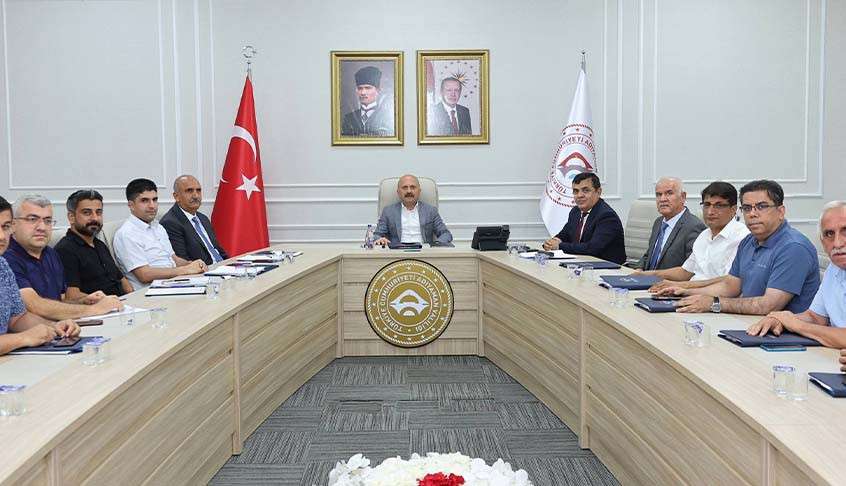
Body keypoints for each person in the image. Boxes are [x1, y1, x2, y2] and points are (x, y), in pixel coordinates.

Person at [659, 180, 820, 315]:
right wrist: (685, 292)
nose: (752, 214)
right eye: (747, 208)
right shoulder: (749, 241)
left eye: (762, 206)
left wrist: (714, 303)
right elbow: (729, 286)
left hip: (785, 335)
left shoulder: (793, 248)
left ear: (781, 211)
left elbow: (768, 305)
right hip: (750, 323)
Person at [3, 194, 121, 321]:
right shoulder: (6, 258)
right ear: (13, 224)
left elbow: (60, 300)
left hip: (63, 327)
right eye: (32, 219)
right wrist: (94, 310)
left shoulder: (50, 253)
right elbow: (36, 306)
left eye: (48, 221)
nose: (42, 227)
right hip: (31, 330)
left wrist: (84, 301)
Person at [746, 201, 846, 347]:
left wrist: (797, 325)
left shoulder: (795, 246)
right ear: (822, 241)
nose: (837, 243)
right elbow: (816, 317)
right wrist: (780, 319)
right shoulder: (834, 268)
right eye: (829, 234)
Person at [0, 196, 79, 355]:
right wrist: (23, 338)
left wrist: (53, 327)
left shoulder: (3, 267)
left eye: (5, 226)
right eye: (32, 219)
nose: (2, 236)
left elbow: (17, 318)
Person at [641, 181, 748, 290]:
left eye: (718, 205)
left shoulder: (742, 237)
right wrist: (645, 275)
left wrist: (682, 286)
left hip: (711, 296)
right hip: (688, 292)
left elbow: (728, 280)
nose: (710, 212)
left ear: (733, 210)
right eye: (707, 205)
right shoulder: (704, 235)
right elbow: (685, 272)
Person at [113, 178, 207, 289]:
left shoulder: (158, 227)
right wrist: (184, 270)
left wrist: (192, 264)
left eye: (154, 199)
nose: (152, 206)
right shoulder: (126, 234)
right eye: (144, 201)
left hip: (175, 283)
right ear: (131, 205)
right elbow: (144, 275)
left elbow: (174, 259)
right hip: (151, 291)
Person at [55, 190, 133, 299]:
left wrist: (133, 299)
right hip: (98, 307)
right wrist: (106, 301)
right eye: (87, 213)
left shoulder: (100, 244)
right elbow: (72, 295)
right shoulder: (65, 250)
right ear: (71, 217)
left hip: (124, 303)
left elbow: (122, 280)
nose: (95, 218)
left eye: (98, 212)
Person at [542, 172, 626, 264]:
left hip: (607, 268)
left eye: (585, 190)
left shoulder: (607, 216)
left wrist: (559, 246)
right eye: (576, 191)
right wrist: (552, 242)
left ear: (598, 192)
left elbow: (592, 248)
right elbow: (564, 235)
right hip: (583, 263)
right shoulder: (576, 212)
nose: (579, 195)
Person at [637, 177, 706, 270]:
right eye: (658, 194)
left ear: (683, 197)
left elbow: (692, 270)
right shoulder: (658, 222)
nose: (662, 199)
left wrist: (650, 274)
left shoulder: (694, 226)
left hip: (669, 279)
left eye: (669, 193)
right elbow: (649, 255)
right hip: (645, 277)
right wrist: (639, 269)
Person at [160, 175, 228, 265]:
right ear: (176, 196)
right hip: (205, 271)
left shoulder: (203, 218)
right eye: (189, 191)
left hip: (223, 267)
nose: (196, 196)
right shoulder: (170, 223)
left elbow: (218, 250)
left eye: (198, 190)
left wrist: (232, 263)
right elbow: (183, 262)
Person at [373, 175, 453, 247]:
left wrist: (436, 244)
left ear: (419, 191)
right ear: (398, 192)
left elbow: (445, 234)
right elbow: (376, 235)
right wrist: (380, 239)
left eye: (413, 187)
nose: (409, 191)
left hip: (424, 252)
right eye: (405, 187)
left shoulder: (431, 211)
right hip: (398, 252)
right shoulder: (388, 211)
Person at [341, 66, 393, 137]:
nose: (363, 93)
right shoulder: (349, 118)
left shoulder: (386, 117)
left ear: (378, 90)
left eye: (368, 88)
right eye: (360, 88)